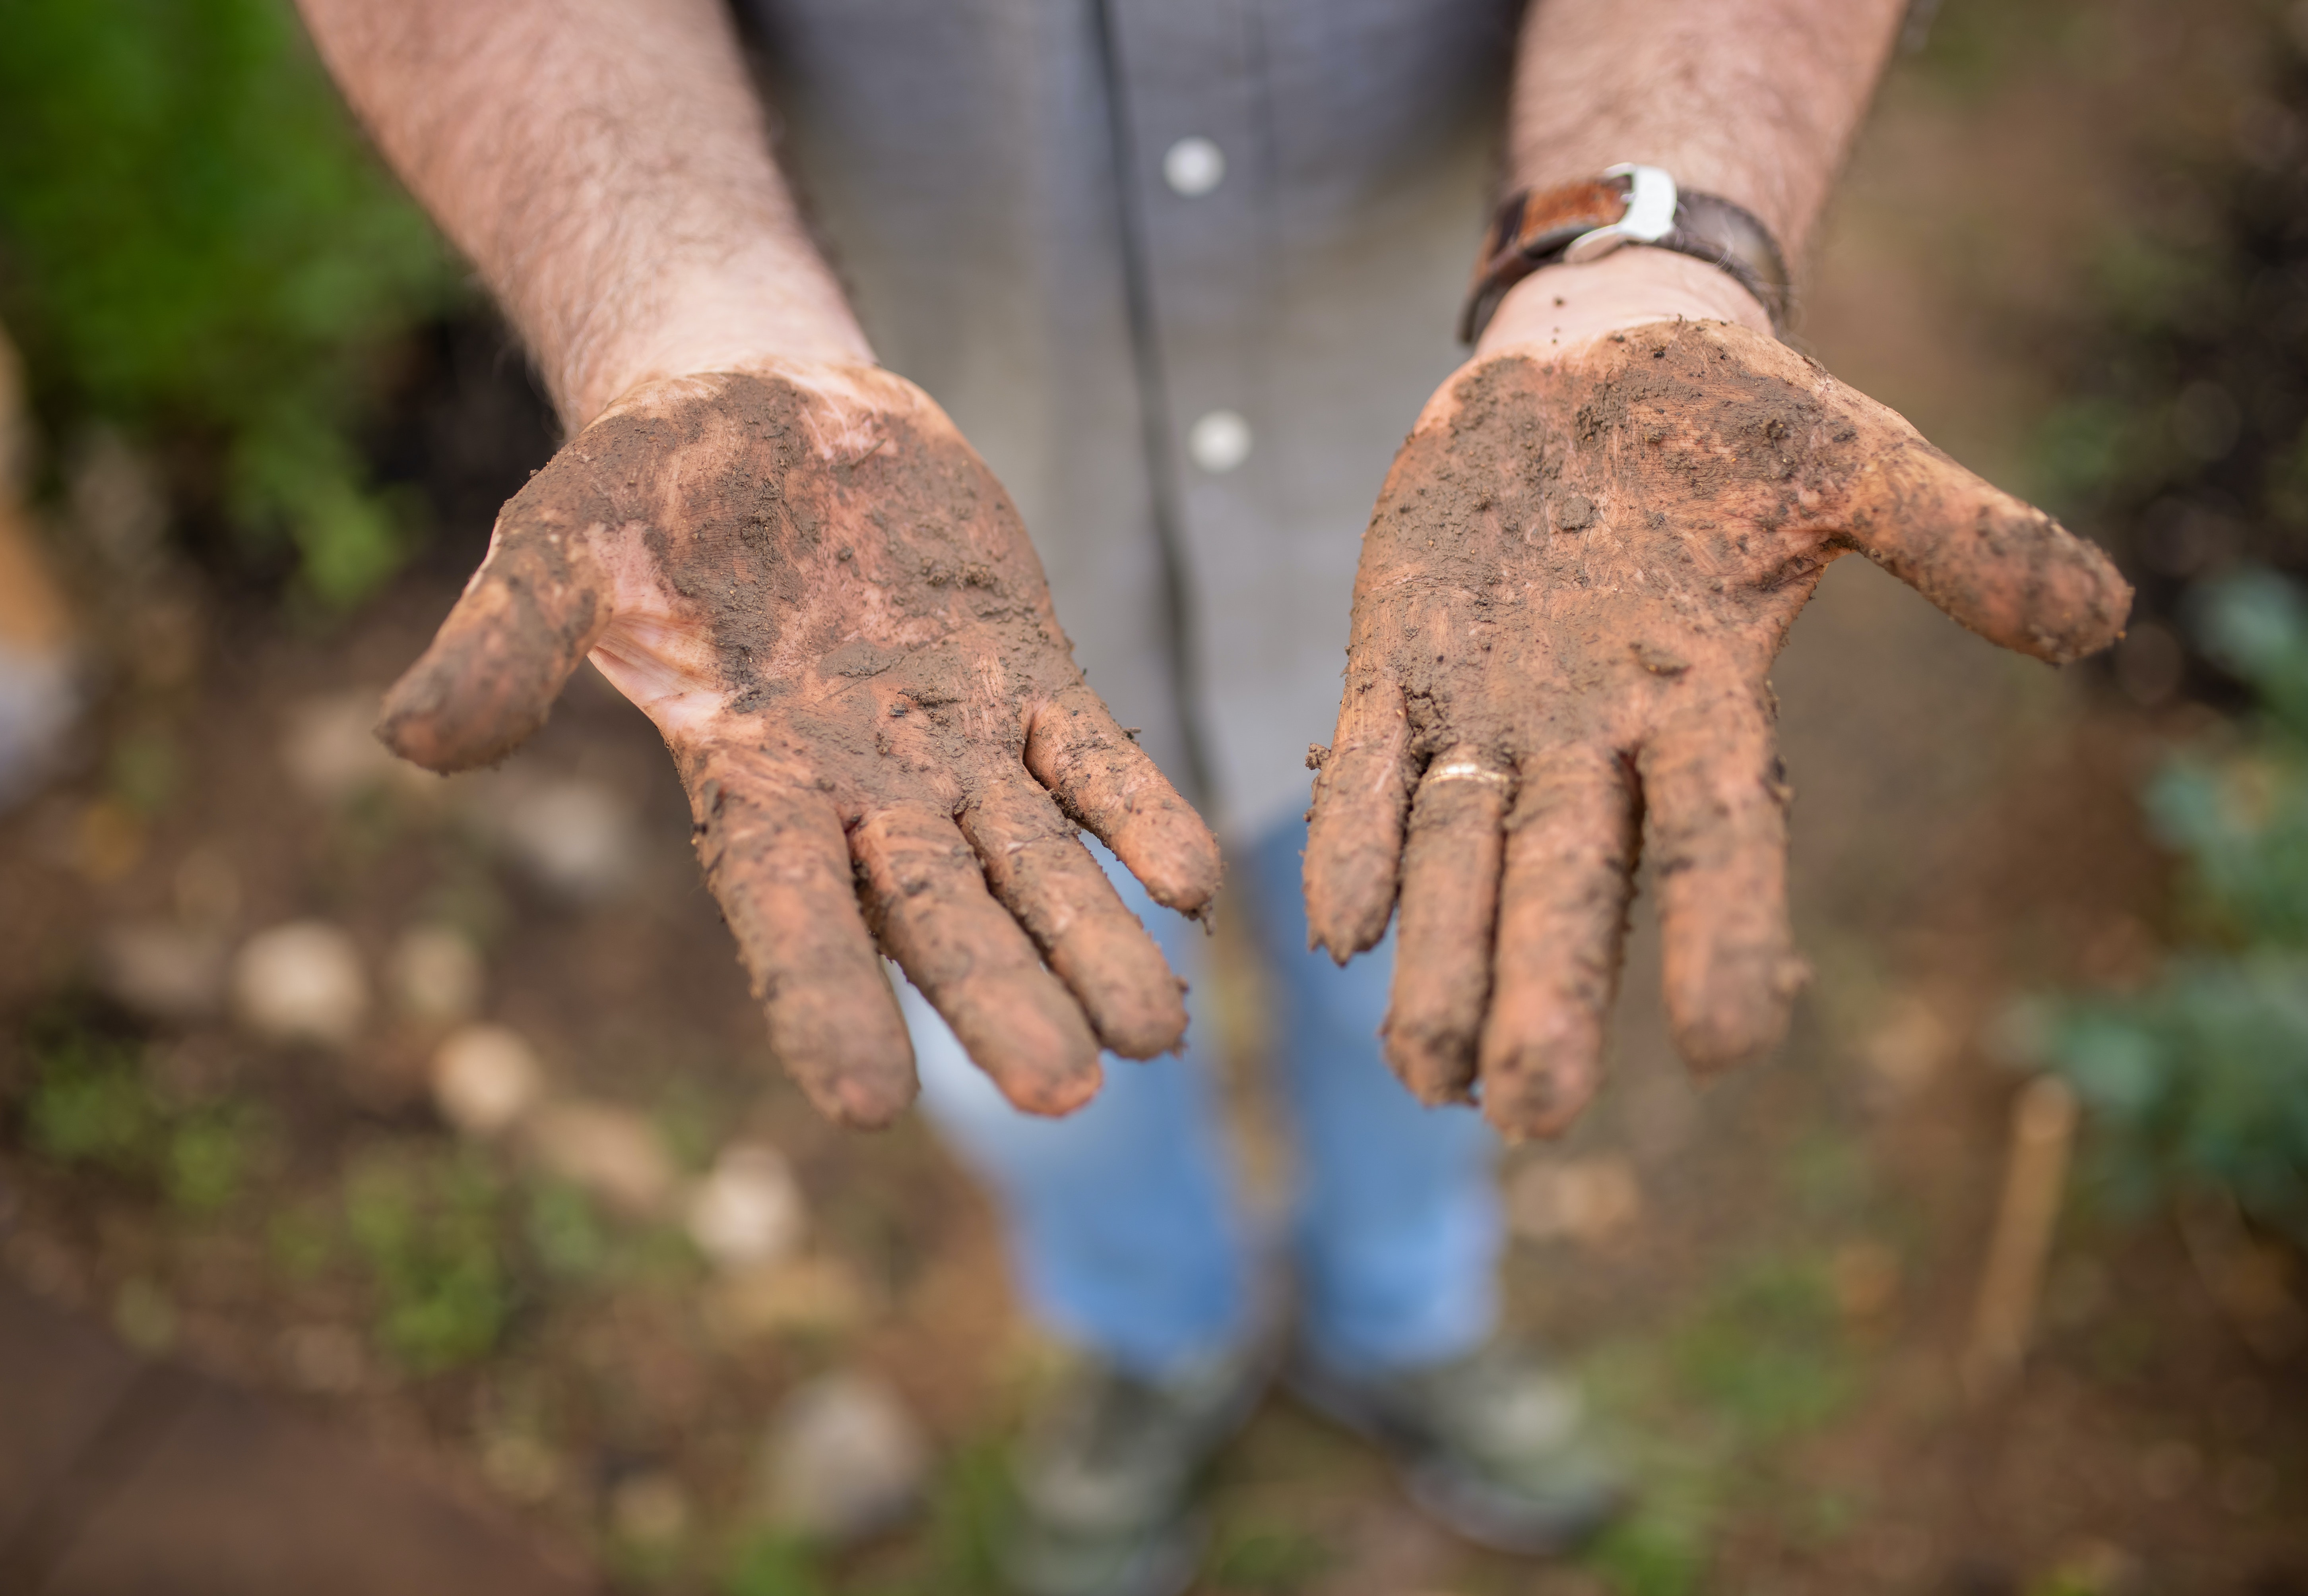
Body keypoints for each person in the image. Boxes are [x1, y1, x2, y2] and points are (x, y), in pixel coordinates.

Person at [294, 2, 2130, 1591]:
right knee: (1031, 1071)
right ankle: (1149, 1343)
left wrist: (1639, 244)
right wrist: (684, 317)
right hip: (895, 560)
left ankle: (1403, 1319)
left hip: (1466, 480)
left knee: (1451, 1000)